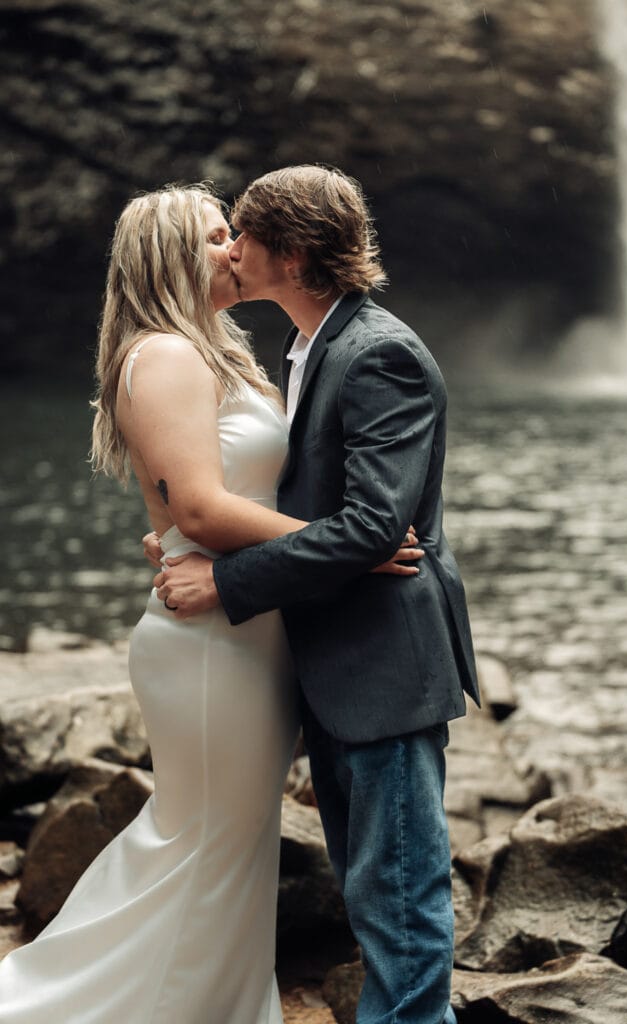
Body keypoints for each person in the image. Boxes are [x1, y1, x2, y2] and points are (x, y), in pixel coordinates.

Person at [0, 183, 421, 1023]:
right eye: (217, 234)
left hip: (248, 626)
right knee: (198, 839)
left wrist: (224, 545)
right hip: (208, 644)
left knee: (232, 843)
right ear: (167, 256)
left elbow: (212, 499)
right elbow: (196, 508)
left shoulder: (215, 351)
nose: (235, 247)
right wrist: (351, 546)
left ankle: (221, 1003)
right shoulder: (163, 354)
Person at [155, 165, 480, 1024]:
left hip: (383, 663)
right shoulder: (312, 346)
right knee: (372, 891)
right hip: (339, 663)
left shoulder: (379, 353)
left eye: (242, 236)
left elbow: (375, 527)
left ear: (292, 255)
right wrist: (191, 534)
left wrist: (225, 582)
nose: (225, 249)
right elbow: (311, 509)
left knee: (402, 907)